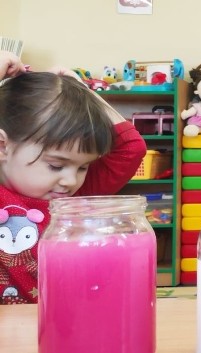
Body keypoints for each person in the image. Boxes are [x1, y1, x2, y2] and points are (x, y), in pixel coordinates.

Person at [0, 51, 147, 304]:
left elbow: (132, 148)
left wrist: (82, 93)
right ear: (3, 146)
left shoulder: (72, 199)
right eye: (56, 166)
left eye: (83, 167)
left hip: (60, 329)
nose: (71, 180)